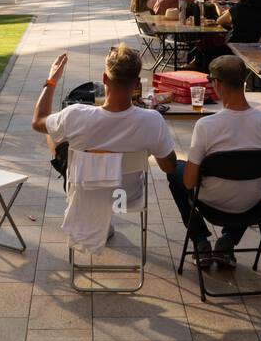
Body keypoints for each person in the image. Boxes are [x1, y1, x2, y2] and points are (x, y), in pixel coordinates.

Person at [31, 46, 177, 255]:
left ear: (104, 79)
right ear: (136, 84)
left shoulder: (76, 115)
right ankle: (101, 215)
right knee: (64, 137)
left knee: (55, 134)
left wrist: (51, 79)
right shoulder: (152, 121)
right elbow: (169, 166)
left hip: (86, 191)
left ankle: (72, 176)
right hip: (125, 196)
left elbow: (37, 121)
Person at [166, 55, 261, 267]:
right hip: (251, 204)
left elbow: (189, 183)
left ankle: (201, 241)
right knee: (255, 178)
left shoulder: (206, 126)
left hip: (211, 202)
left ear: (217, 84)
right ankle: (228, 242)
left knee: (175, 170)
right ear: (245, 81)